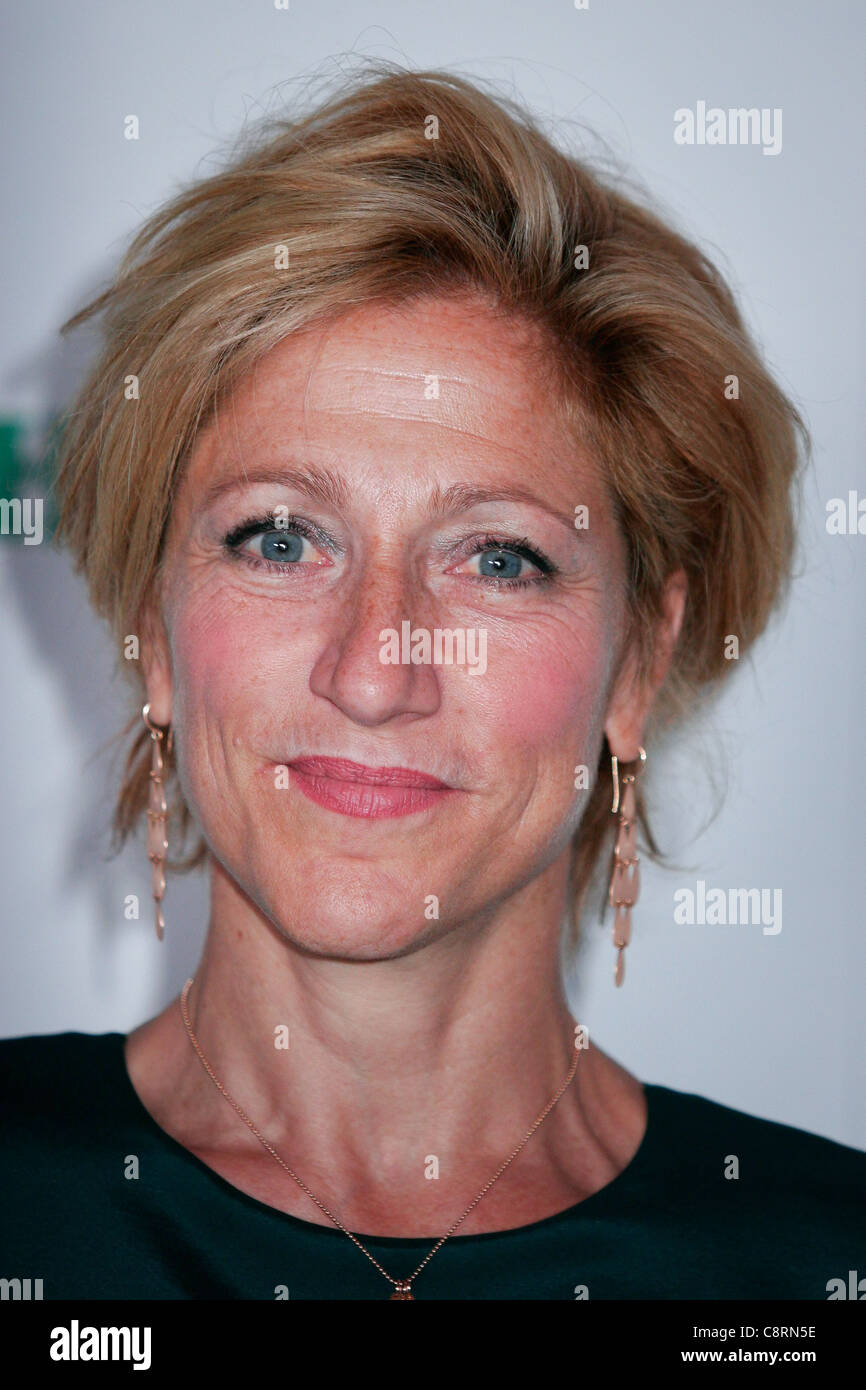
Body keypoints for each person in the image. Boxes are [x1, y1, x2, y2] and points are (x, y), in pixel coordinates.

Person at [2, 62, 863, 1301]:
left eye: (497, 559)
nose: (372, 671)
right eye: (281, 538)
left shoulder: (818, 1264)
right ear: (154, 623)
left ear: (639, 660)